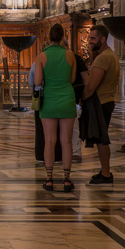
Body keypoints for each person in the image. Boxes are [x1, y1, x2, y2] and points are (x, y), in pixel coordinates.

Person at [31, 24, 83, 191]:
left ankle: (49, 178)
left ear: (49, 37)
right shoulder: (70, 55)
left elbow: (37, 82)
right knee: (66, 141)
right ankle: (67, 179)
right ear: (62, 37)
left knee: (50, 140)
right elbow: (73, 78)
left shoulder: (41, 57)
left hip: (49, 101)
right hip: (67, 98)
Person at [82, 24, 121, 185]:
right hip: (106, 100)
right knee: (99, 139)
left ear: (103, 39)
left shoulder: (103, 57)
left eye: (93, 38)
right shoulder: (109, 55)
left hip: (101, 102)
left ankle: (106, 174)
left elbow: (91, 86)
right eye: (89, 37)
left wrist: (82, 98)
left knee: (102, 139)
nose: (89, 41)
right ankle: (105, 171)